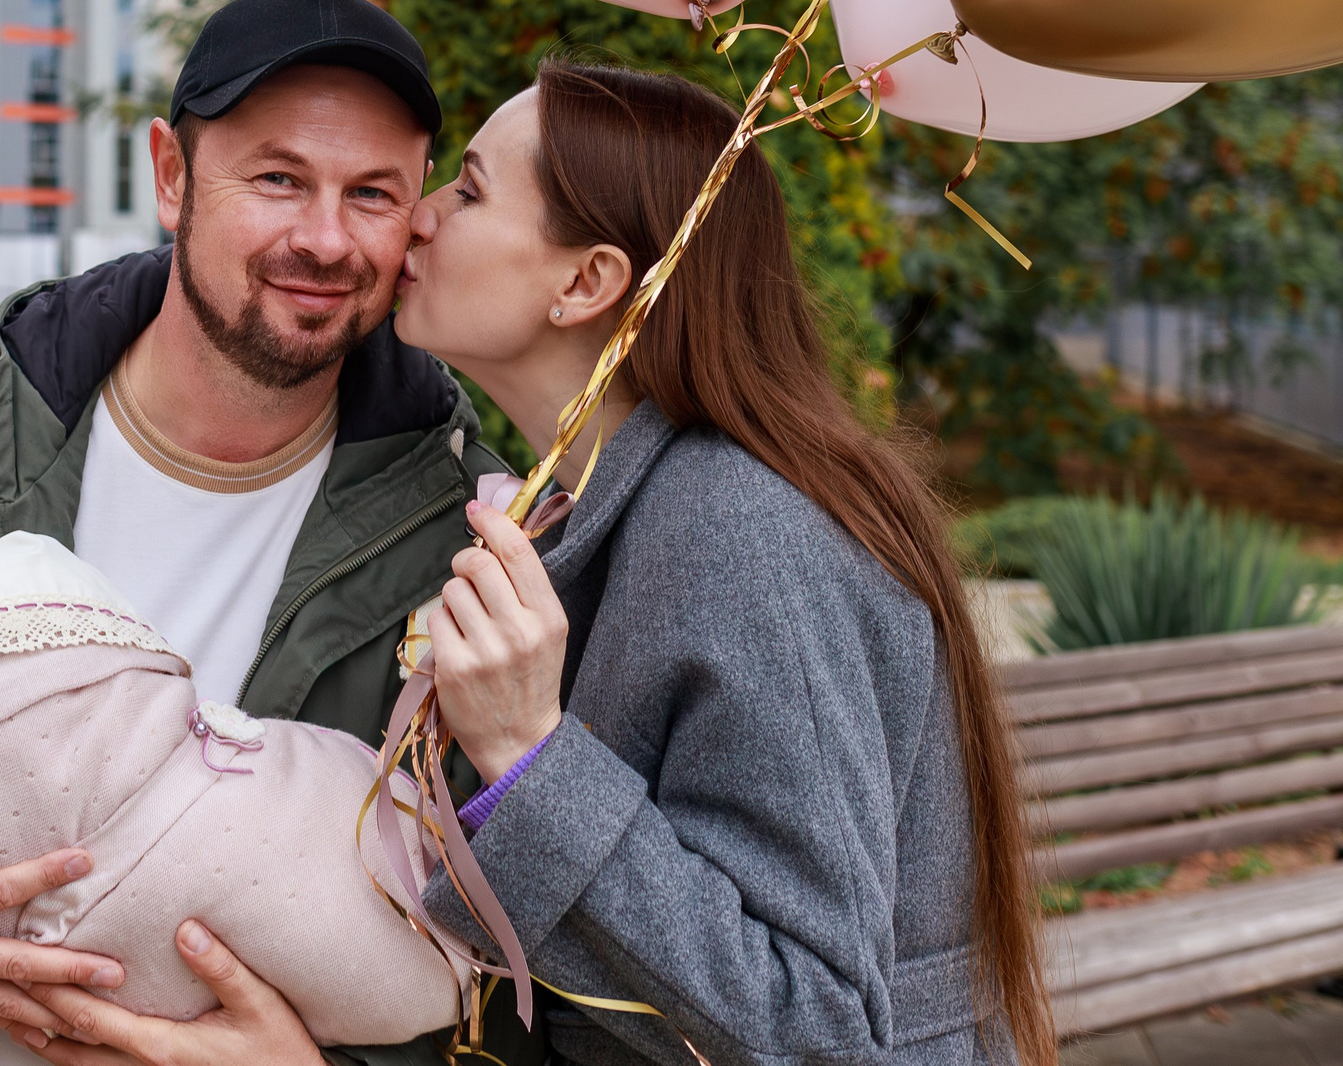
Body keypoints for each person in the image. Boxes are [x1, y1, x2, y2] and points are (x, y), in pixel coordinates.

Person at [0, 0, 525, 1066]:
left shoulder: (473, 550)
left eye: (371, 195)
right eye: (276, 178)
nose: (324, 238)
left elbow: (510, 970)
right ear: (171, 175)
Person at [390, 60, 1053, 1066]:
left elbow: (818, 1022)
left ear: (584, 283)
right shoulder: (609, 503)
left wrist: (529, 759)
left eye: (469, 189)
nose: (420, 213)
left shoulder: (739, 530)